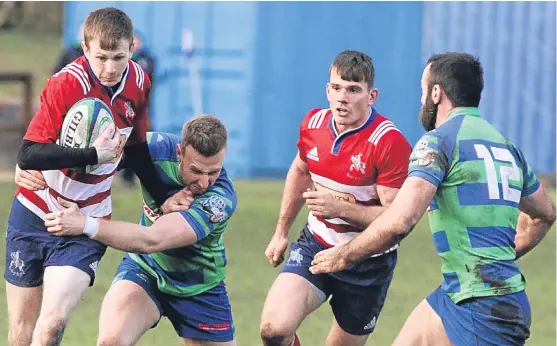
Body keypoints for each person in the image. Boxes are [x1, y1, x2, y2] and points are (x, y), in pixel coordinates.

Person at [309, 52, 556, 346]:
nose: (421, 98)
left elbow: (400, 221)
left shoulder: (439, 142)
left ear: (437, 93)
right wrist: (500, 258)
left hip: (484, 310)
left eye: (423, 90)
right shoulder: (505, 145)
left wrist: (345, 254)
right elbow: (545, 213)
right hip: (457, 294)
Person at [6, 7, 179, 346]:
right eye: (101, 57)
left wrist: (163, 196)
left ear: (132, 48)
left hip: (87, 217)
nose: (110, 67)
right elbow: (28, 154)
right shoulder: (66, 83)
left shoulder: (140, 81)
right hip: (34, 210)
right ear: (85, 49)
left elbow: (138, 148)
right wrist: (92, 155)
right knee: (21, 335)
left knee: (52, 324)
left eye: (118, 56)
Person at [259, 50, 412, 346]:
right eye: (337, 87)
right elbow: (301, 170)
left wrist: (342, 209)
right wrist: (281, 232)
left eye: (354, 89)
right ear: (327, 90)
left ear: (371, 95)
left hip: (367, 261)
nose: (343, 97)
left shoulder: (388, 142)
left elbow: (398, 219)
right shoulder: (313, 124)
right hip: (316, 244)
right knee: (274, 330)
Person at [41, 115, 237, 346]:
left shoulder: (219, 200)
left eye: (213, 172)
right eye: (196, 171)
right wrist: (36, 170)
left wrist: (85, 224)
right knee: (110, 342)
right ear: (179, 153)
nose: (204, 183)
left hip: (199, 287)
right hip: (146, 268)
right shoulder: (154, 149)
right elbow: (93, 164)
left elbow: (153, 240)